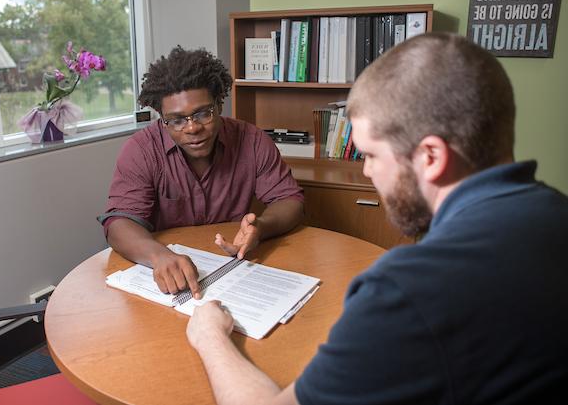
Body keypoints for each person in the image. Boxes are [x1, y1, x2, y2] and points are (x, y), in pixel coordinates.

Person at [185, 32, 568, 404]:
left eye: (370, 155)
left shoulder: (409, 292)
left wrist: (210, 336)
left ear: (430, 158)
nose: (367, 172)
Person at [98, 46, 304, 298]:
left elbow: (289, 200)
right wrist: (157, 254)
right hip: (169, 278)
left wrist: (260, 227)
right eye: (176, 120)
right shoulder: (141, 150)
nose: (192, 128)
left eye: (203, 113)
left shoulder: (251, 140)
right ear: (162, 118)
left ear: (219, 103)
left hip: (233, 269)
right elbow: (119, 222)